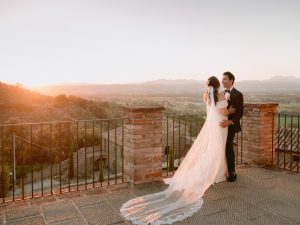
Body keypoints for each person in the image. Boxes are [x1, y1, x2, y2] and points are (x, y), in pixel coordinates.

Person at [120, 76, 234, 225]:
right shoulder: (219, 95)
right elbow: (223, 112)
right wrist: (230, 109)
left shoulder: (206, 95)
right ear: (218, 84)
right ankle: (216, 173)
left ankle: (213, 172)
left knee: (212, 149)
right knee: (217, 149)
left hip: (212, 126)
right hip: (220, 125)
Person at [219, 71, 244, 182]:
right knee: (220, 147)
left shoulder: (238, 94)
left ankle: (231, 171)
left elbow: (240, 113)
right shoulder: (220, 93)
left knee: (228, 147)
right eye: (222, 79)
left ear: (231, 80)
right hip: (220, 125)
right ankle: (220, 170)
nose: (222, 81)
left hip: (230, 126)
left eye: (225, 79)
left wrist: (230, 122)